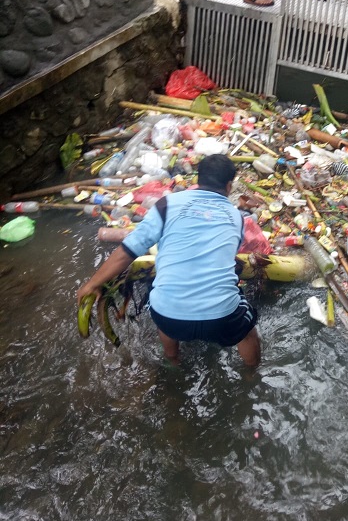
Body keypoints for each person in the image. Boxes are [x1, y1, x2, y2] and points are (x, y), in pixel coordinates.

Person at [76, 155, 261, 367]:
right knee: (247, 333)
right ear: (229, 186)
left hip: (169, 318)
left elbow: (127, 251)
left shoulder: (167, 204)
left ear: (198, 181)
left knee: (161, 302)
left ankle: (173, 361)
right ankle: (251, 374)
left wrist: (92, 284)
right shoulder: (235, 217)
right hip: (220, 316)